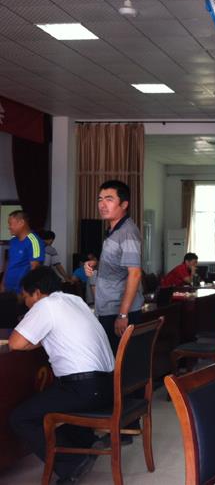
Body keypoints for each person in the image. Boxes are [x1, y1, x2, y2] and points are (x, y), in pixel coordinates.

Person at [8, 267, 114, 484]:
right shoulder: (75, 301)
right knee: (54, 395)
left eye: (26, 297)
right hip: (107, 386)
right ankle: (85, 444)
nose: (25, 302)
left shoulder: (45, 305)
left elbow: (15, 343)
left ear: (37, 293)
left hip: (85, 389)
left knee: (21, 417)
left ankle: (71, 464)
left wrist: (33, 340)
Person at [84, 180, 144, 353]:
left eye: (109, 199)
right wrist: (97, 264)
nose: (102, 204)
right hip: (108, 309)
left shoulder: (127, 232)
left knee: (119, 362)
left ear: (124, 204)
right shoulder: (114, 230)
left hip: (119, 312)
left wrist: (123, 314)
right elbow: (119, 263)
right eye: (100, 199)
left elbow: (134, 274)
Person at [0, 210, 44, 294]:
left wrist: (26, 291)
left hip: (22, 292)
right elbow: (9, 263)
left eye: (10, 224)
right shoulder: (13, 241)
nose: (9, 227)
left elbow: (35, 269)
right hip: (7, 289)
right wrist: (2, 283)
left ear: (21, 223)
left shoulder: (34, 241)